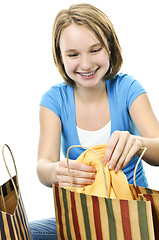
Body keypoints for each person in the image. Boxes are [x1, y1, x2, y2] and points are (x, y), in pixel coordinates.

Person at [30, 3, 159, 239]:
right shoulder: (53, 100)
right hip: (83, 217)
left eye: (95, 50)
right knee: (19, 232)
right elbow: (43, 166)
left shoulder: (128, 88)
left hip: (133, 216)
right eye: (73, 54)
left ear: (109, 48)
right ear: (60, 56)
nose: (86, 64)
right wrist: (56, 172)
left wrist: (138, 142)